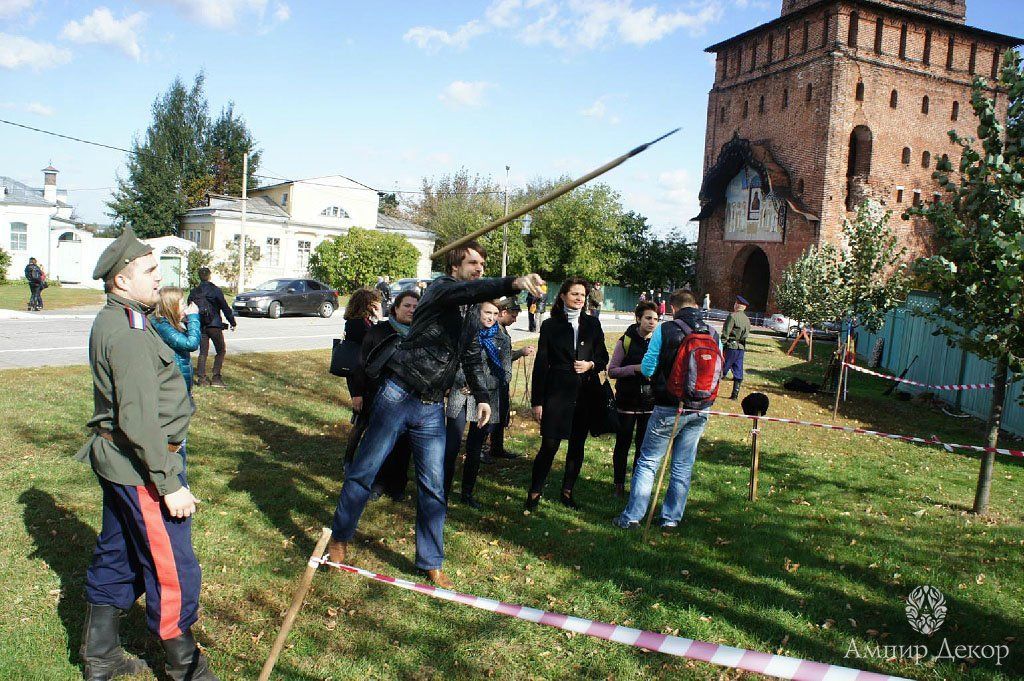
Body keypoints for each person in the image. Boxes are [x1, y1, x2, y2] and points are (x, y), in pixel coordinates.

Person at [328, 240, 545, 588]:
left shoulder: (470, 310)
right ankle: (339, 538)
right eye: (472, 263)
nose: (479, 269)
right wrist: (514, 282)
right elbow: (469, 290)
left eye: (482, 264)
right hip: (398, 394)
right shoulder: (441, 290)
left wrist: (482, 396)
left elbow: (470, 352)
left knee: (433, 486)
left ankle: (431, 561)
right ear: (454, 267)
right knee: (364, 471)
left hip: (431, 406)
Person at [75, 227, 216, 681]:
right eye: (150, 270)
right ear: (121, 280)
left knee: (117, 553)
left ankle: (101, 656)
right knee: (172, 566)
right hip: (143, 467)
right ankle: (186, 668)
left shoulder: (121, 318)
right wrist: (169, 482)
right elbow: (137, 420)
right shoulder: (130, 332)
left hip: (122, 462)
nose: (159, 277)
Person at [613, 289, 719, 531]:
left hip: (668, 406)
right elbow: (719, 371)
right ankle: (671, 519)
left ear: (672, 308)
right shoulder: (712, 332)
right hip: (701, 408)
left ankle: (632, 516)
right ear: (696, 305)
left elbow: (648, 368)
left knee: (649, 461)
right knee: (682, 465)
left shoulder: (665, 330)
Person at [527, 276, 608, 511]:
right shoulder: (550, 325)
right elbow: (541, 364)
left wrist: (591, 364)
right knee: (549, 445)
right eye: (574, 294)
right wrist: (537, 402)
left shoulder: (593, 324)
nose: (579, 298)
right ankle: (534, 492)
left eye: (582, 294)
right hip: (557, 393)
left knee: (577, 446)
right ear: (563, 296)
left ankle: (567, 492)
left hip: (585, 393)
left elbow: (603, 357)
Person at [348, 289, 420, 501]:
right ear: (396, 308)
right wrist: (357, 393)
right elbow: (361, 364)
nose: (411, 310)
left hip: (410, 399)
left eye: (416, 307)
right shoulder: (379, 331)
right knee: (379, 444)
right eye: (407, 306)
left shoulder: (420, 333)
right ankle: (377, 483)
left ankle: (397, 485)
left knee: (404, 445)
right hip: (379, 397)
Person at [443, 300, 502, 509]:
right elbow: (452, 362)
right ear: (478, 312)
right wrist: (461, 381)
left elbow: (504, 374)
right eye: (487, 312)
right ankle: (442, 492)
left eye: (495, 313)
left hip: (485, 401)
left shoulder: (501, 338)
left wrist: (479, 387)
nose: (491, 317)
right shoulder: (464, 333)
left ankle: (467, 493)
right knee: (451, 446)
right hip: (460, 395)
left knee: (475, 449)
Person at [607, 301, 659, 497]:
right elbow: (612, 371)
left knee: (643, 446)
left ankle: (638, 485)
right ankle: (618, 484)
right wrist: (635, 369)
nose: (652, 322)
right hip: (627, 401)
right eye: (648, 318)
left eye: (655, 319)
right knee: (623, 444)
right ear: (638, 319)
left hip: (649, 402)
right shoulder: (626, 341)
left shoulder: (658, 342)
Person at [486, 299, 534, 460]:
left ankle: (497, 448)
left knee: (501, 415)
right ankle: (481, 449)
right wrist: (521, 352)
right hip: (491, 381)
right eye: (513, 316)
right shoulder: (492, 330)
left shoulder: (501, 329)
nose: (514, 320)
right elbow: (499, 357)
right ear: (504, 312)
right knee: (490, 416)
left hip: (501, 380)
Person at [187, 267, 236, 388]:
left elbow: (190, 307)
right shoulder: (216, 290)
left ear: (199, 277)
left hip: (201, 325)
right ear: (209, 276)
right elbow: (225, 307)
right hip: (215, 325)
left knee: (203, 352)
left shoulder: (194, 292)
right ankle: (216, 378)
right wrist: (232, 322)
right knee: (221, 350)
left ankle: (202, 379)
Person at [153, 287, 202, 393]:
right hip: (174, 385)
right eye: (182, 304)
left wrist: (187, 321)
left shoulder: (170, 322)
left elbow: (192, 337)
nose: (185, 307)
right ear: (172, 306)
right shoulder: (162, 325)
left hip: (181, 382)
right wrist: (193, 317)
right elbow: (191, 344)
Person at [342, 287, 383, 411]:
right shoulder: (357, 325)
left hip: (365, 379)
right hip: (361, 381)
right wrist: (357, 393)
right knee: (363, 416)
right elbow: (358, 359)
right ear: (367, 306)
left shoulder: (363, 323)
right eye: (375, 305)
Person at [721, 295, 751, 400]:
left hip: (731, 347)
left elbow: (726, 332)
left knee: (722, 368)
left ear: (737, 305)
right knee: (738, 371)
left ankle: (712, 389)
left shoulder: (732, 316)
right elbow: (746, 334)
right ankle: (735, 395)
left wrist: (722, 345)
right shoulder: (747, 319)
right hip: (741, 348)